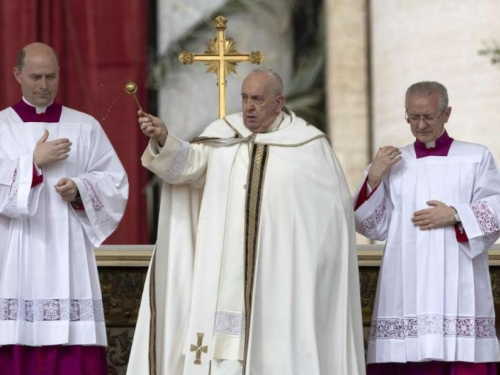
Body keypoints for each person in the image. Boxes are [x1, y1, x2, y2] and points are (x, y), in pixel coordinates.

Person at [127, 69, 365, 375]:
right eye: (244, 98)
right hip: (224, 271)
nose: (248, 107)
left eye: (257, 99)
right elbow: (186, 166)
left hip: (281, 278)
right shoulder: (223, 134)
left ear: (279, 102)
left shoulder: (309, 146)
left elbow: (332, 214)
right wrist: (163, 139)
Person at [354, 81, 500, 374]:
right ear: (406, 115)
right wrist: (374, 177)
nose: (421, 125)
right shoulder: (393, 162)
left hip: (460, 278)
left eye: (429, 116)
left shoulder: (475, 157)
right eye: (413, 117)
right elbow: (372, 225)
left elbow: (496, 208)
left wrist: (457, 214)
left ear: (447, 113)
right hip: (407, 278)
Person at [0, 43, 128, 374]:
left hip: (68, 253)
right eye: (35, 77)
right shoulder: (2, 127)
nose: (43, 85)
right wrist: (32, 164)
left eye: (51, 77)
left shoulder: (84, 126)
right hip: (17, 255)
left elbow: (114, 182)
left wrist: (80, 190)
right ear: (17, 75)